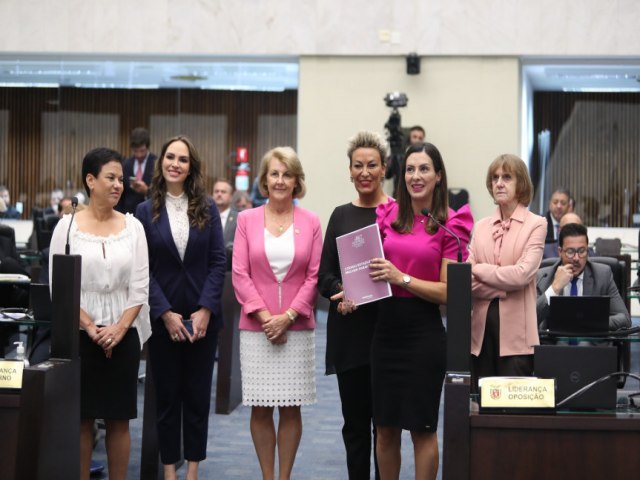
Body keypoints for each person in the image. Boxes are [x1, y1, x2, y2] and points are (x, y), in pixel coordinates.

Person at [368, 142, 472, 480]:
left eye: (424, 169)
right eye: (410, 169)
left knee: (422, 428)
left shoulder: (450, 225)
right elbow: (373, 272)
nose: (416, 176)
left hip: (423, 335)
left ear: (438, 176)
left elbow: (446, 293)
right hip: (385, 331)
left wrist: (403, 278)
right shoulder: (388, 216)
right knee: (384, 428)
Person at [49, 147, 151, 480]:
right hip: (81, 334)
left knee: (120, 420)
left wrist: (120, 329)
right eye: (111, 178)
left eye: (121, 178)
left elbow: (140, 286)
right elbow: (59, 286)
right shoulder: (67, 227)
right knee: (83, 419)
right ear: (90, 181)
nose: (118, 185)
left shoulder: (133, 227)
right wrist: (92, 328)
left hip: (124, 332)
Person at [136, 135, 226, 480]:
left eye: (183, 159)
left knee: (198, 397)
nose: (175, 163)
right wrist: (164, 313)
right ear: (161, 163)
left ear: (191, 167)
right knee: (168, 398)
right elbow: (143, 268)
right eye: (170, 157)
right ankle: (170, 470)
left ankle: (192, 471)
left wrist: (205, 309)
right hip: (164, 321)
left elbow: (219, 262)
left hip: (203, 322)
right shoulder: (145, 211)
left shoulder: (206, 206)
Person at [232, 146, 321, 480]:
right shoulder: (246, 219)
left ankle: (284, 477)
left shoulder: (311, 221)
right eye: (274, 174)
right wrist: (266, 317)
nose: (281, 180)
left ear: (297, 180)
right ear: (264, 181)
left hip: (297, 328)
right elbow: (240, 273)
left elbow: (314, 275)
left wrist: (288, 316)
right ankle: (268, 476)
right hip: (257, 328)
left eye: (288, 174)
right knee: (259, 405)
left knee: (291, 405)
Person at [318, 131, 390, 480]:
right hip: (349, 333)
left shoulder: (396, 214)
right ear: (349, 171)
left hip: (388, 333)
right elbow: (324, 276)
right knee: (355, 426)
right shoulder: (340, 215)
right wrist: (340, 291)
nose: (365, 171)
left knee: (386, 428)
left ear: (384, 169)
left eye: (371, 165)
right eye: (358, 165)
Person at [468, 154, 546, 391]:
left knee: (512, 414)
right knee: (477, 411)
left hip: (518, 341)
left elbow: (522, 275)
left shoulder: (537, 224)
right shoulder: (481, 226)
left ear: (520, 183)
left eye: (507, 177)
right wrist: (504, 286)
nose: (499, 183)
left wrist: (481, 269)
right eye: (495, 178)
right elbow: (467, 280)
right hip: (479, 337)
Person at [536, 222, 630, 330]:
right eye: (570, 252)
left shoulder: (603, 275)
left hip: (591, 344)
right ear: (560, 252)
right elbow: (529, 320)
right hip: (556, 345)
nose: (576, 258)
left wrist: (589, 323)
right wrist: (555, 288)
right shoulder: (543, 276)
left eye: (581, 251)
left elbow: (624, 319)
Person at [116, 127, 157, 215]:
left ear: (147, 147)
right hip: (128, 215)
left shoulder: (157, 164)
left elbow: (163, 192)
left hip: (150, 214)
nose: (139, 155)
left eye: (142, 151)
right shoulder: (126, 164)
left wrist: (147, 191)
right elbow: (120, 195)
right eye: (135, 151)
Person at [213, 178, 237, 270]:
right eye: (216, 191)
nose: (219, 194)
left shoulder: (239, 219)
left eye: (223, 192)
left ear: (231, 197)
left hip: (229, 272)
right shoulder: (204, 218)